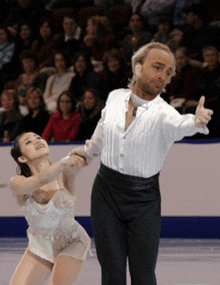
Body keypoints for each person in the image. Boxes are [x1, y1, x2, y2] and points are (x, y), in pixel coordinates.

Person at [71, 42, 213, 284]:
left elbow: (181, 125)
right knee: (112, 273)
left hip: (144, 201)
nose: (163, 77)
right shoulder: (115, 97)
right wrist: (87, 152)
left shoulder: (164, 114)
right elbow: (101, 133)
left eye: (168, 72)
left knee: (144, 275)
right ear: (137, 68)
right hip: (106, 194)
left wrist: (196, 122)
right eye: (157, 67)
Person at [9, 131, 90, 285]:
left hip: (72, 241)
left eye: (38, 138)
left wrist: (81, 157)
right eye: (28, 142)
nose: (37, 141)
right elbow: (41, 179)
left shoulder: (65, 172)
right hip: (41, 244)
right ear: (22, 158)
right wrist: (65, 161)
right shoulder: (17, 183)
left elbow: (79, 164)